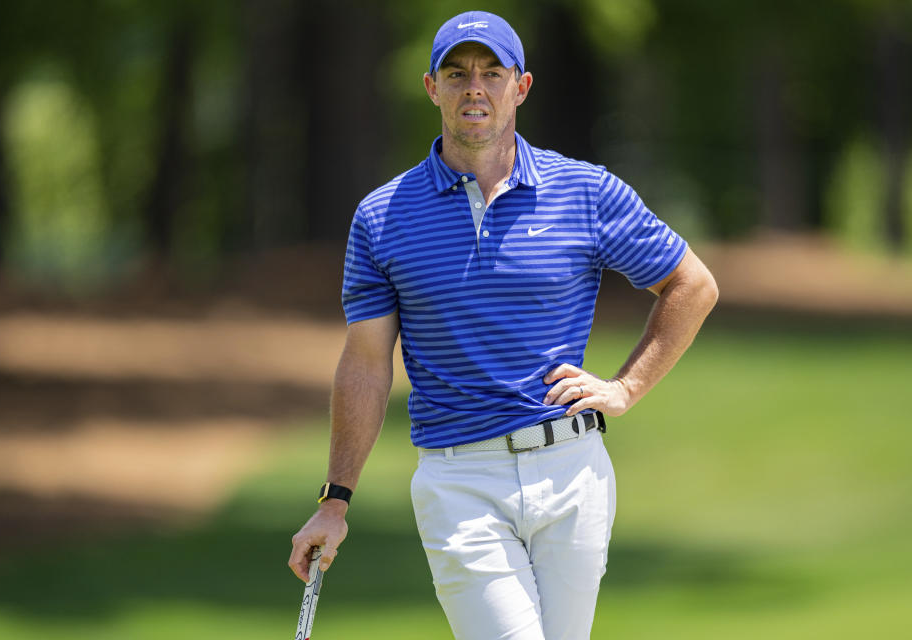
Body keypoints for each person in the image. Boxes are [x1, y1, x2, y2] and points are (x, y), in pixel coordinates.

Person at [288, 10, 718, 639]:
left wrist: (625, 388)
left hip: (572, 471)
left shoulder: (585, 192)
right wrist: (335, 499)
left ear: (521, 87)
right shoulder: (382, 217)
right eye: (457, 73)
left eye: (493, 72)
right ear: (431, 86)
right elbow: (366, 362)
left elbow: (692, 284)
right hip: (460, 482)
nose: (475, 88)